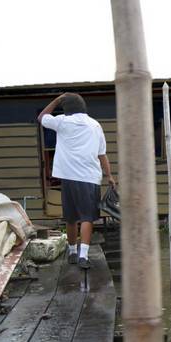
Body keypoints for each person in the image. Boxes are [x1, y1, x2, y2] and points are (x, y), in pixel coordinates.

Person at [38, 93, 115, 268]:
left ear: (66, 109)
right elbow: (102, 155)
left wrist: (56, 100)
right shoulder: (95, 125)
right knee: (87, 217)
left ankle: (72, 252)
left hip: (69, 178)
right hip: (89, 178)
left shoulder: (62, 122)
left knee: (71, 218)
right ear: (83, 107)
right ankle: (83, 256)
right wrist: (109, 175)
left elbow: (41, 117)